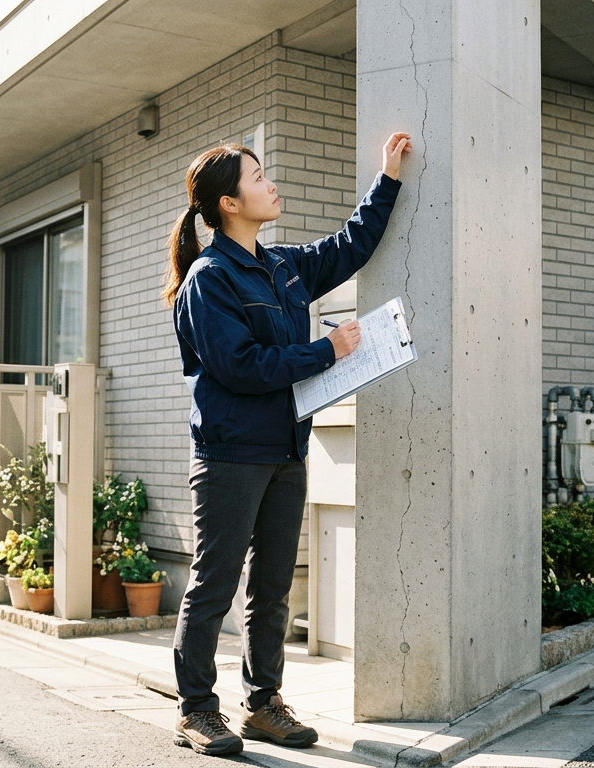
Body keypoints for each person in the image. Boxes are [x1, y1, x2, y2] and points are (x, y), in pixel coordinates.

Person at [164, 132, 412, 756]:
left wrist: (388, 179)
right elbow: (240, 365)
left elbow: (349, 247)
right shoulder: (209, 278)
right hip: (229, 454)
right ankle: (196, 709)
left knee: (272, 585)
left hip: (285, 449)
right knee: (215, 583)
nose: (270, 184)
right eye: (257, 176)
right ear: (228, 202)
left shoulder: (280, 266)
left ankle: (262, 703)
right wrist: (325, 350)